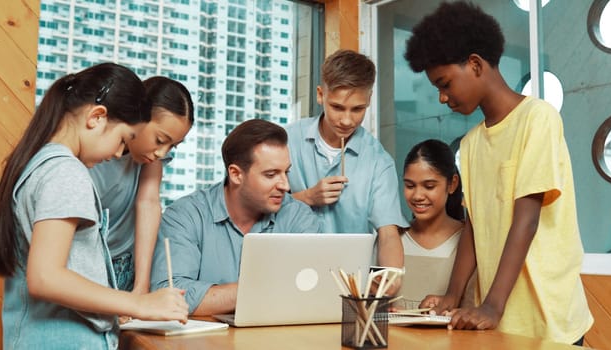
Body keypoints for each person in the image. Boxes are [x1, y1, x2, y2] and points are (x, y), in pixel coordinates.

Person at [404, 1, 592, 345]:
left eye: (445, 84)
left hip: (547, 317)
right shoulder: (472, 143)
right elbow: (475, 227)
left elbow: (527, 219)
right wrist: (453, 295)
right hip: (499, 321)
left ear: (475, 64)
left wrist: (492, 304)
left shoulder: (538, 118)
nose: (443, 98)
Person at [0, 63, 188, 349]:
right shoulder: (67, 173)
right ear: (96, 117)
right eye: (123, 140)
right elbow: (45, 277)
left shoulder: (39, 163)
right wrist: (140, 303)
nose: (118, 153)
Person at [149, 119, 321, 316]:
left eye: (286, 172)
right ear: (236, 174)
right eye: (271, 174)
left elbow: (310, 293)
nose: (285, 185)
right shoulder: (185, 215)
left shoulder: (299, 217)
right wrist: (266, 289)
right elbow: (169, 295)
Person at [285, 49, 407, 293]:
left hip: (349, 289)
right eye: (337, 107)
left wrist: (391, 276)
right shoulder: (286, 141)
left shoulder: (379, 161)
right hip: (288, 277)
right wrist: (307, 198)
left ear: (369, 100)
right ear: (321, 95)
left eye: (358, 109)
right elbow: (257, 212)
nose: (347, 120)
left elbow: (388, 235)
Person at [89, 76, 194, 294]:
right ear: (137, 117)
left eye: (172, 146)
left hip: (125, 266)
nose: (162, 153)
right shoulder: (91, 155)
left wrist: (141, 285)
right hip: (88, 267)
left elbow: (148, 203)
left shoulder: (151, 160)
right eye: (160, 140)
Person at [396, 139, 476, 309]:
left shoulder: (468, 243)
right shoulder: (393, 240)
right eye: (410, 185)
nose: (418, 195)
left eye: (429, 186)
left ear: (452, 184)